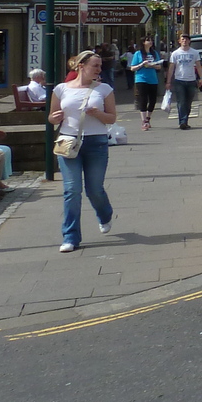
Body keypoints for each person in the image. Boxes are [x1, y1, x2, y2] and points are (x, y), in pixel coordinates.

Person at [50, 50, 117, 252]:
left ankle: (104, 214)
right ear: (81, 66)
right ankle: (70, 237)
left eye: (100, 66)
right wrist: (55, 117)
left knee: (94, 189)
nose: (99, 69)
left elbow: (112, 118)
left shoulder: (104, 89)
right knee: (72, 190)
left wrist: (98, 113)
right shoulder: (61, 89)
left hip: (96, 142)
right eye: (95, 66)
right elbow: (51, 118)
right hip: (68, 142)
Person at [165, 34, 202, 130]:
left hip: (191, 80)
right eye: (183, 39)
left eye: (186, 39)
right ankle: (183, 122)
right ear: (179, 41)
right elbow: (171, 68)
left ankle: (185, 120)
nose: (184, 41)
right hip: (179, 81)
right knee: (181, 102)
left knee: (188, 103)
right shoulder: (175, 54)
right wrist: (168, 81)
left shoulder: (195, 53)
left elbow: (198, 66)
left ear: (189, 41)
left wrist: (201, 78)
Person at [128, 37, 164, 131]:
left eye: (151, 40)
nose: (150, 42)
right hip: (141, 79)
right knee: (143, 99)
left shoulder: (154, 53)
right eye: (148, 40)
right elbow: (132, 68)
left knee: (153, 100)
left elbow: (159, 66)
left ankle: (148, 118)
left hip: (153, 79)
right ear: (143, 42)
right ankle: (144, 121)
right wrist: (142, 64)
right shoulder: (138, 54)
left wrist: (153, 65)